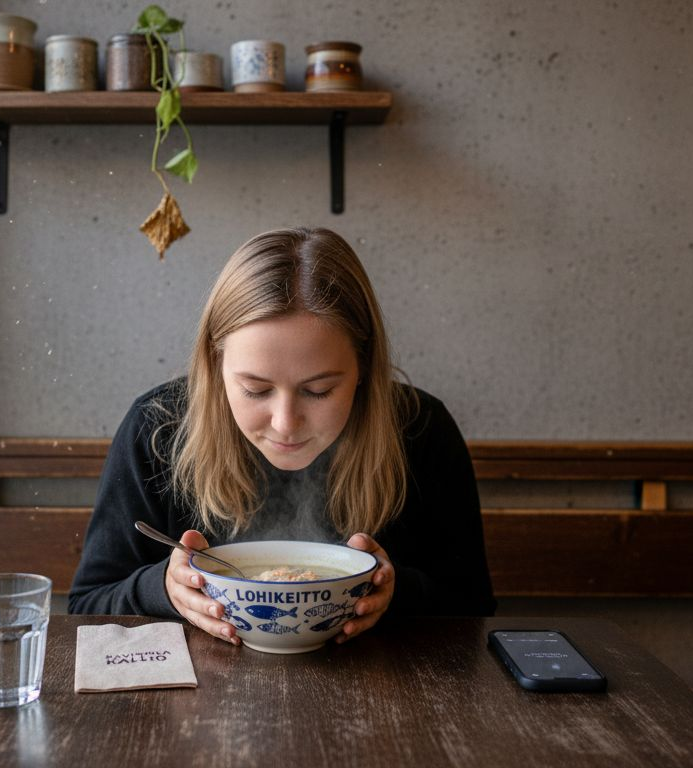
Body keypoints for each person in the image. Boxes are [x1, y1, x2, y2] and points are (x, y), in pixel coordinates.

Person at [68, 227, 493, 645]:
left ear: (363, 366)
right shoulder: (158, 429)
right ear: (216, 365)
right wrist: (163, 588)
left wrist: (396, 592)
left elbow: (473, 607)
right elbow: (87, 605)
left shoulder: (420, 429)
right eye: (255, 389)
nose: (285, 423)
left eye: (319, 390)